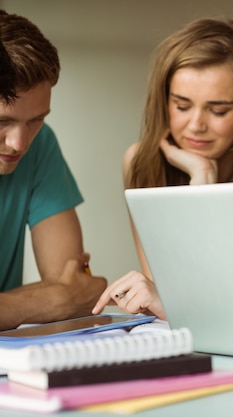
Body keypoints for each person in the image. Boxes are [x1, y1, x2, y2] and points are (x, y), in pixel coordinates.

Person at [92, 18, 233, 318]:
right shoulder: (139, 161)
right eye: (182, 106)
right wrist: (199, 180)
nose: (196, 125)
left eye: (218, 110)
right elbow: (162, 288)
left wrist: (205, 191)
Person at [0, 10, 107, 330]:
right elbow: (66, 296)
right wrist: (50, 301)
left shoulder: (41, 144)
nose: (20, 143)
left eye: (36, 119)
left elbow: (82, 290)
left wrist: (11, 308)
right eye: (2, 121)